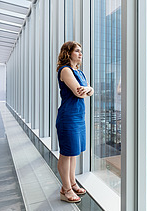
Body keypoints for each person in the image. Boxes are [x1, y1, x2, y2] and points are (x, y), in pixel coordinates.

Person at [55, 41, 94, 203]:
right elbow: (80, 93)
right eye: (77, 51)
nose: (80, 54)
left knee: (74, 153)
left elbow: (91, 90)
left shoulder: (79, 72)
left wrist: (89, 90)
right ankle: (66, 189)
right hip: (68, 117)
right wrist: (88, 90)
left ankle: (72, 182)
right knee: (66, 154)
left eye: (81, 51)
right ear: (68, 53)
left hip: (78, 117)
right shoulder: (65, 70)